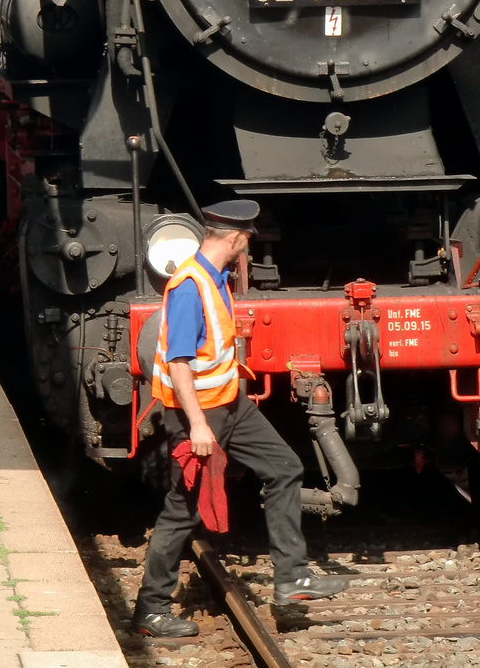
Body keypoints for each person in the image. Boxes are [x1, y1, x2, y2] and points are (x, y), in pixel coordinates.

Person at [133, 201, 348, 638]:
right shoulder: (191, 286)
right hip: (199, 412)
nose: (247, 246)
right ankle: (150, 610)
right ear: (232, 238)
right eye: (246, 239)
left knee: (285, 468)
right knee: (183, 510)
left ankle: (292, 578)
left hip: (229, 403)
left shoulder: (215, 279)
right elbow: (178, 363)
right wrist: (196, 425)